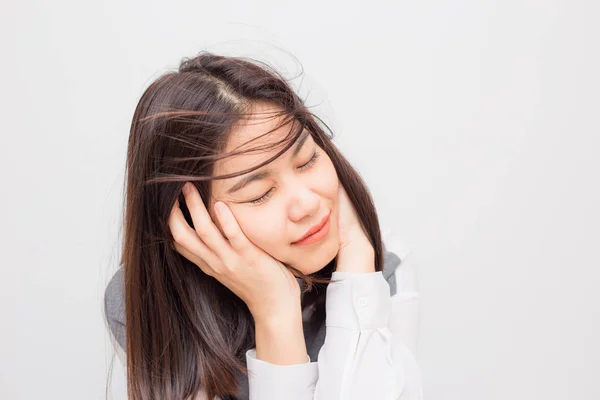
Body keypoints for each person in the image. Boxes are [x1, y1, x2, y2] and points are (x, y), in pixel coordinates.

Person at [103, 51, 423, 400]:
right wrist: (275, 310)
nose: (307, 204)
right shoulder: (146, 302)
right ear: (193, 220)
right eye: (260, 194)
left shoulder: (382, 267)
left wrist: (359, 269)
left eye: (307, 160)